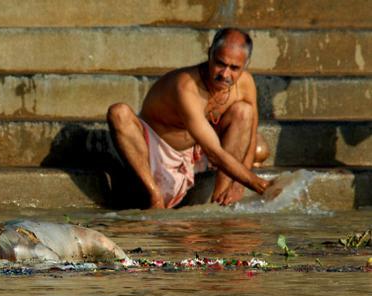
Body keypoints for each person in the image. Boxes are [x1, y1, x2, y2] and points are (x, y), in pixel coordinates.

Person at [107, 27, 271, 209]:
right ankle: (153, 195)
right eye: (220, 63)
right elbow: (215, 153)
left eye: (234, 68)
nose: (225, 74)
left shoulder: (245, 83)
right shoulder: (186, 85)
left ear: (245, 65)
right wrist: (260, 185)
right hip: (156, 149)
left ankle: (220, 200)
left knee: (249, 122)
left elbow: (252, 127)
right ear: (209, 54)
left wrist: (239, 184)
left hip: (196, 151)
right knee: (118, 112)